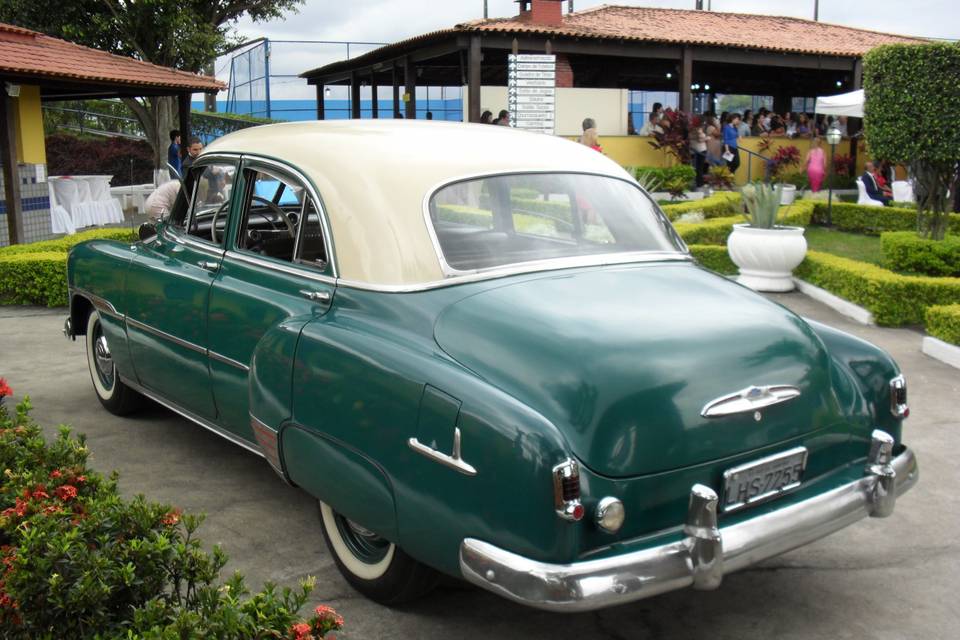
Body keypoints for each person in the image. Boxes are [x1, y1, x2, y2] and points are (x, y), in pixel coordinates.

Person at [689, 120, 708, 187]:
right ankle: (699, 183)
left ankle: (698, 182)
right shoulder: (697, 131)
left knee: (697, 167)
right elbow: (699, 140)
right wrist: (707, 138)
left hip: (695, 151)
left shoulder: (691, 131)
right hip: (699, 151)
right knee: (699, 168)